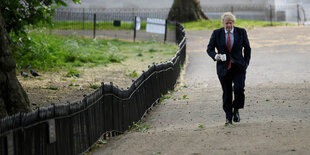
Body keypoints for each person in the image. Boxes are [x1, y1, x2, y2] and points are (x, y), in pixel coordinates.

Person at [207, 12, 251, 125]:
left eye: (230, 23)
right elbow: (210, 49)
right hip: (224, 68)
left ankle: (236, 109)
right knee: (227, 92)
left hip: (238, 67)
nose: (229, 25)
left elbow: (247, 48)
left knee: (239, 89)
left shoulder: (241, 32)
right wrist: (216, 56)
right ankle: (228, 117)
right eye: (227, 23)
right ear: (223, 23)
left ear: (233, 23)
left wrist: (245, 63)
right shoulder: (217, 33)